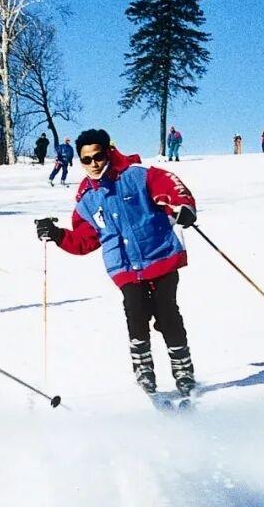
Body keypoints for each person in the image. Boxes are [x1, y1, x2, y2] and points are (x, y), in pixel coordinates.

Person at [34, 128, 199, 397]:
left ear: (108, 153)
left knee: (167, 312)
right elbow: (84, 241)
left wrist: (182, 207)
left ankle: (183, 369)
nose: (93, 164)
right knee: (136, 311)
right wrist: (56, 234)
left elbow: (170, 186)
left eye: (98, 156)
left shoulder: (136, 175)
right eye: (86, 159)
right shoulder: (86, 200)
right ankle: (143, 369)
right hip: (124, 267)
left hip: (160, 256)